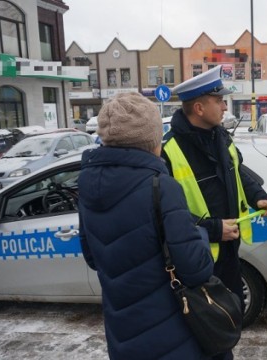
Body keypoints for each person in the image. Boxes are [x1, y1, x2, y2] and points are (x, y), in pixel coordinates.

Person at [78, 92, 214, 360]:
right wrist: (201, 233)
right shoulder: (161, 187)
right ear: (152, 139)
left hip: (121, 334)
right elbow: (196, 268)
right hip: (171, 335)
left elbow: (93, 258)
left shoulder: (86, 184)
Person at [161, 65, 267, 360]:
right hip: (195, 265)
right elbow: (165, 215)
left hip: (228, 257)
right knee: (202, 337)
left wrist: (258, 196)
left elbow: (239, 173)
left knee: (226, 330)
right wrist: (212, 229)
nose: (225, 106)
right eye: (219, 100)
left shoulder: (220, 137)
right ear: (198, 107)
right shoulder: (169, 151)